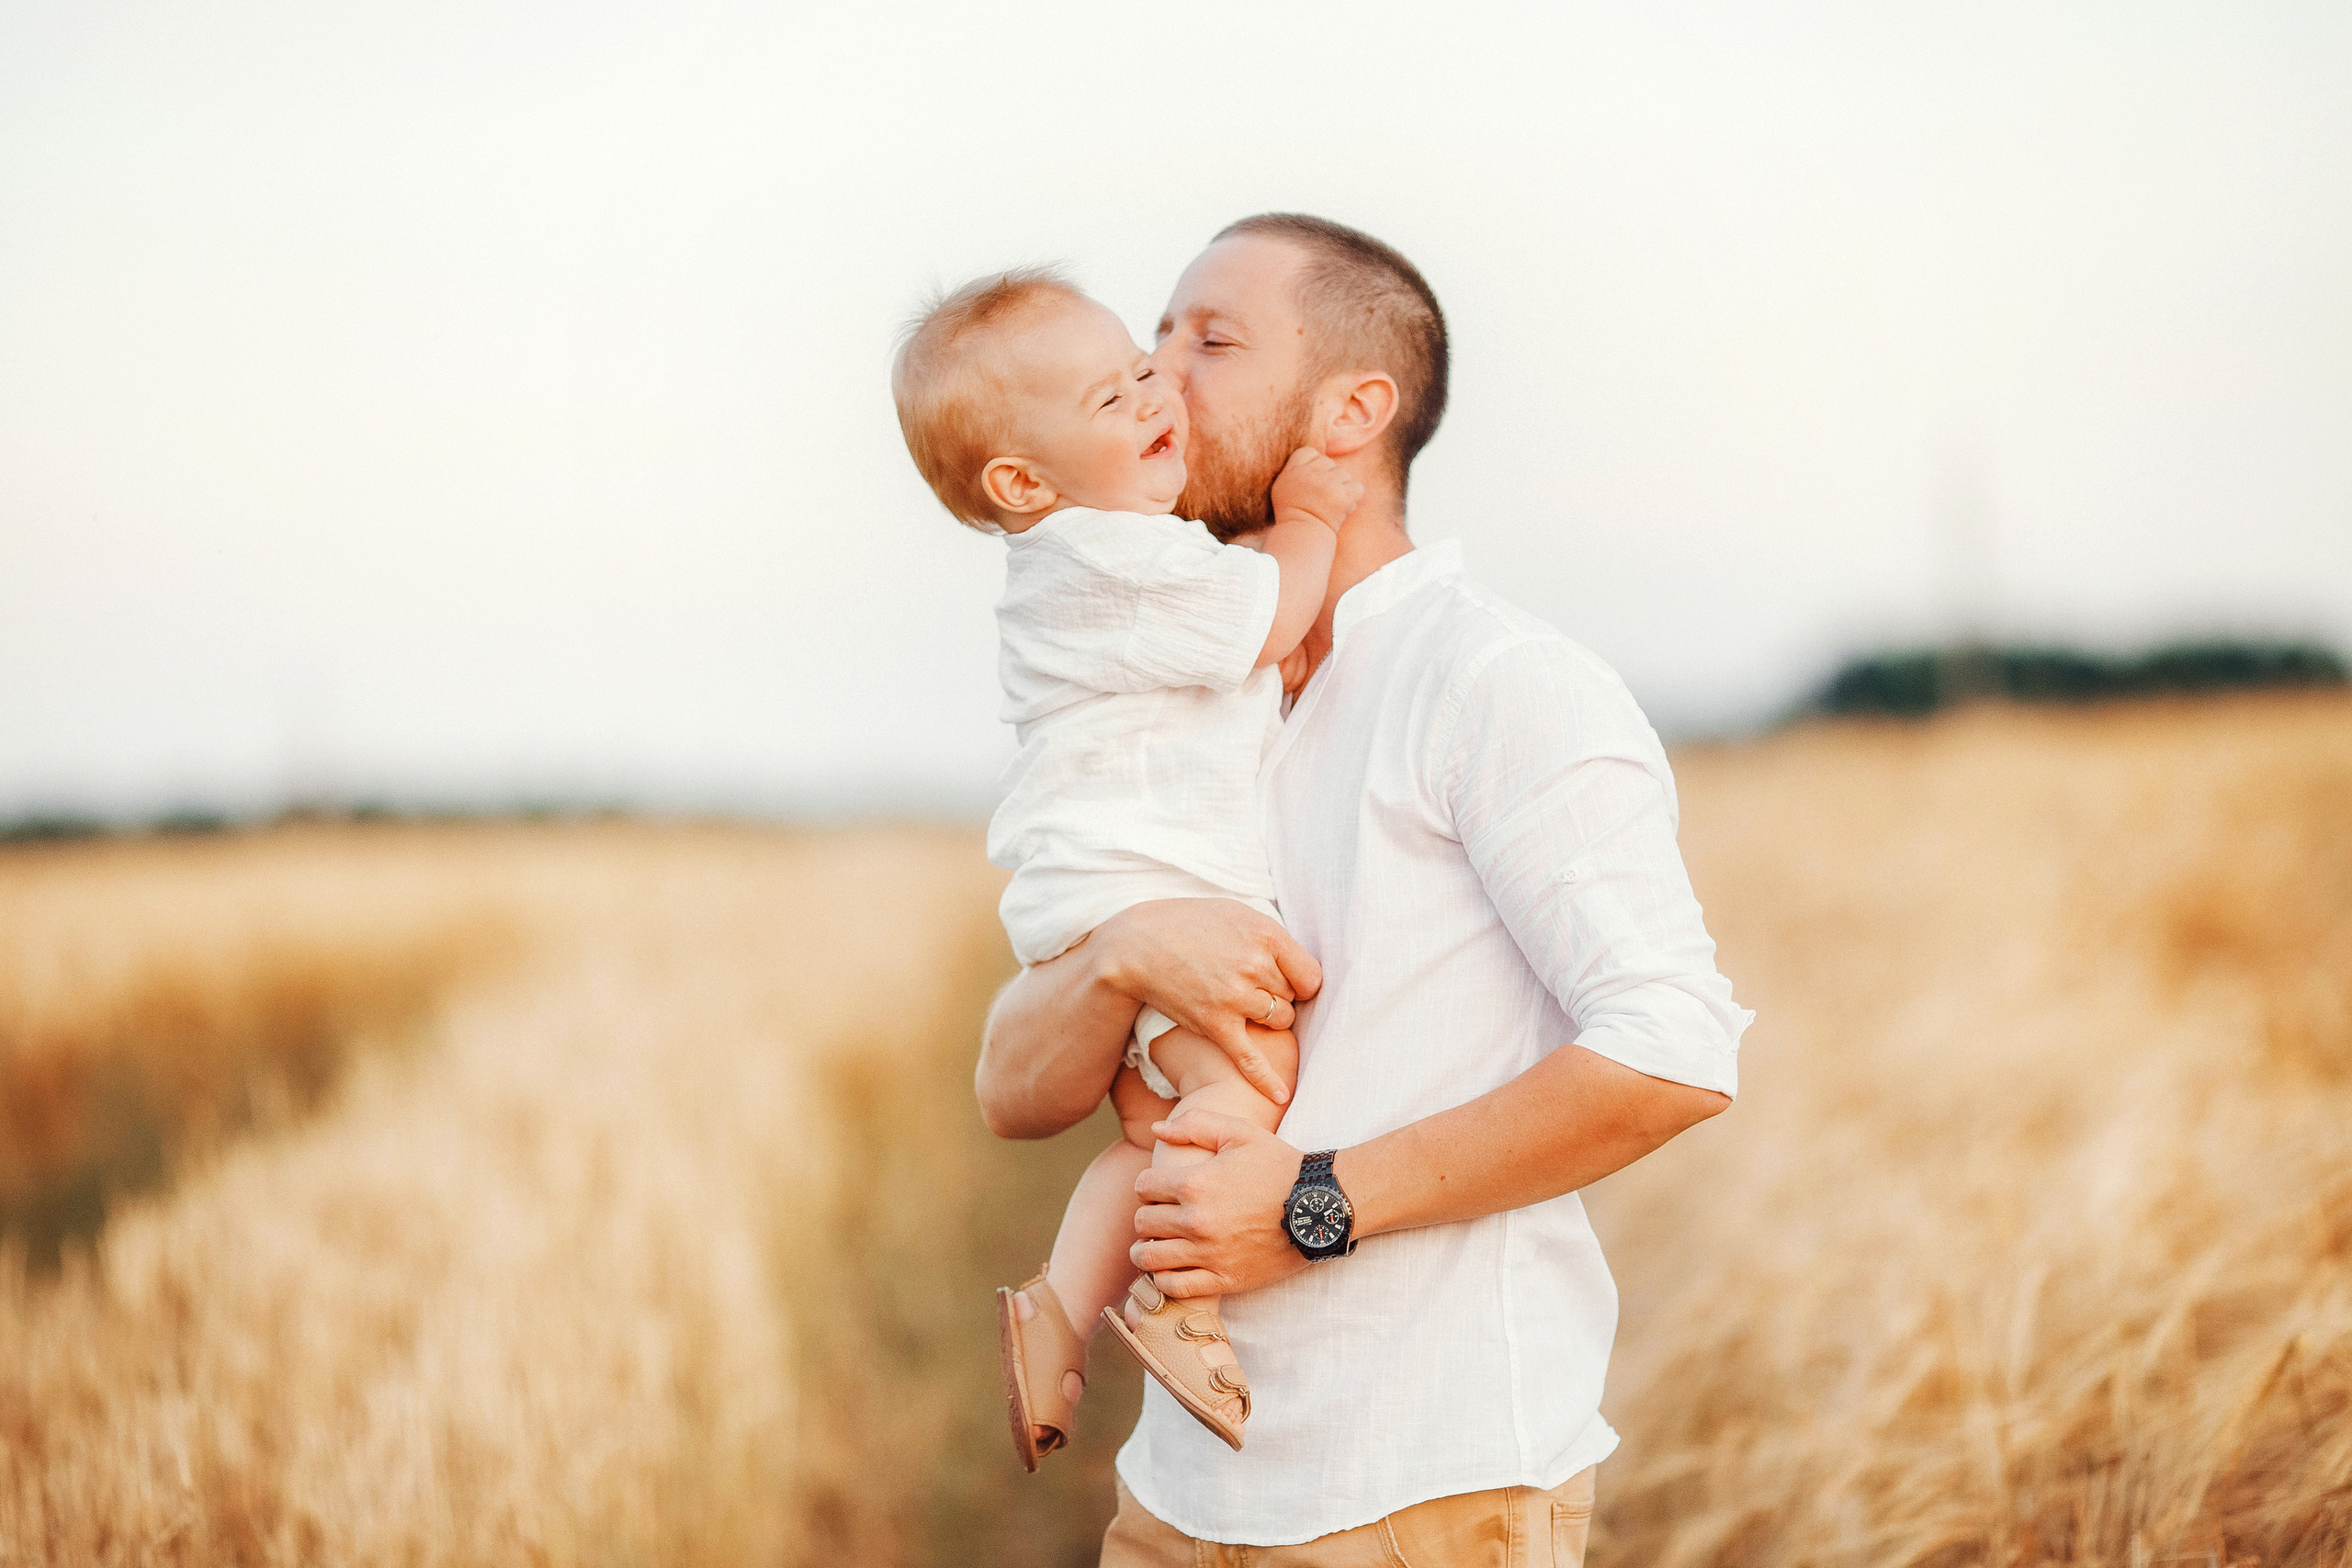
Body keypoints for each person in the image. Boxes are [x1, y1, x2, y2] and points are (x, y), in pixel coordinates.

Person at [976, 214, 1754, 1566]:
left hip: (1420, 1496)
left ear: (1354, 410)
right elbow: (1012, 1092)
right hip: (1177, 1503)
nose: (1158, 374)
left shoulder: (1499, 681)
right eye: (1152, 336)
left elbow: (1673, 1050)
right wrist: (1121, 957)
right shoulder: (1189, 694)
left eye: (1209, 339)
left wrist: (1311, 1204)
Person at [889, 268, 1364, 1464]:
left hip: (1101, 893)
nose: (1158, 391)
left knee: (1153, 1135)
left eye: (1150, 369)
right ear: (1022, 483)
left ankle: (1057, 1308)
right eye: (1115, 395)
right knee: (1249, 1082)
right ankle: (1177, 1295)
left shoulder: (1097, 561)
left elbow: (1235, 660)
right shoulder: (1107, 553)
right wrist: (1307, 524)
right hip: (1139, 892)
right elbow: (1260, 622)